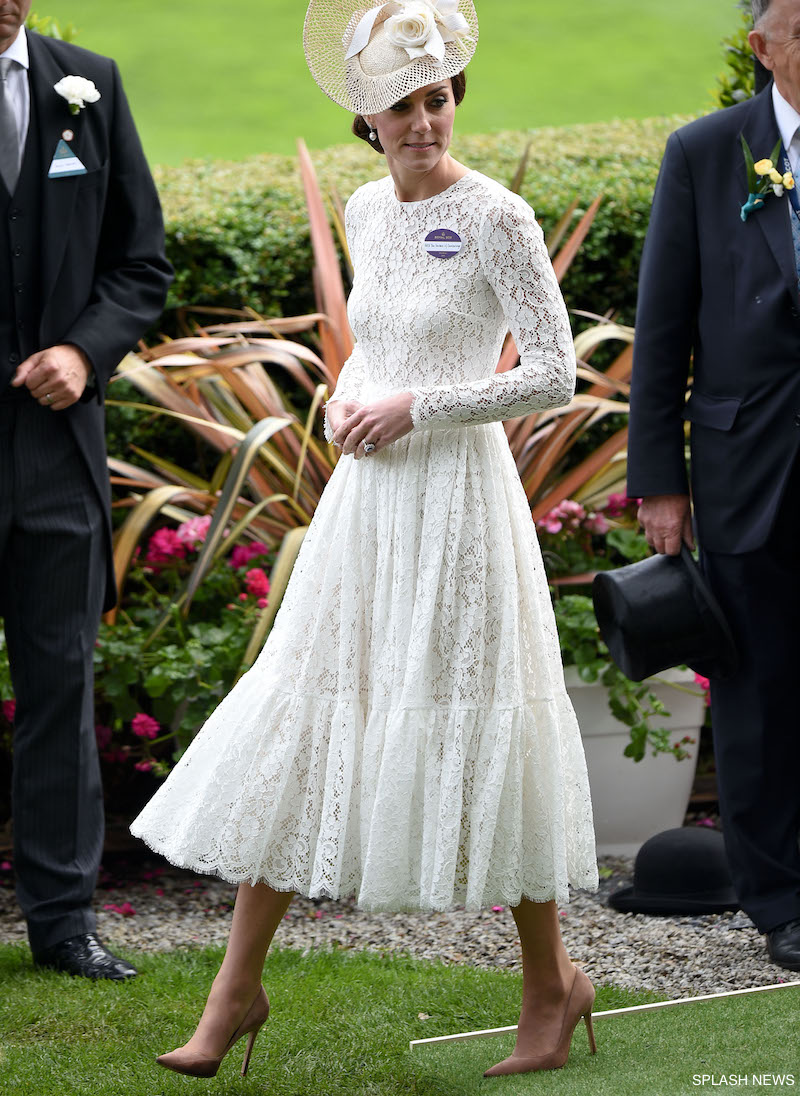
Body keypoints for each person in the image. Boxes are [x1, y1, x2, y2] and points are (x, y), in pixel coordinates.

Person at [131, 0, 598, 1078]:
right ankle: (233, 993)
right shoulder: (362, 209)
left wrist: (415, 409)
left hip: (458, 509)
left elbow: (550, 373)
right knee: (311, 715)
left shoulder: (500, 218)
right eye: (400, 105)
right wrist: (349, 401)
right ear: (365, 118)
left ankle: (549, 986)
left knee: (477, 720)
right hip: (369, 507)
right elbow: (377, 343)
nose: (424, 122)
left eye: (435, 98)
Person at [0, 2, 172, 979]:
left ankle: (63, 924)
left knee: (61, 685)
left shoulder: (88, 85)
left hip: (60, 453)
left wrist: (84, 349)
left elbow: (139, 262)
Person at [628, 0, 800, 970]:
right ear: (759, 43)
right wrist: (658, 480)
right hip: (746, 471)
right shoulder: (704, 153)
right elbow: (661, 328)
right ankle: (776, 897)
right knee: (756, 688)